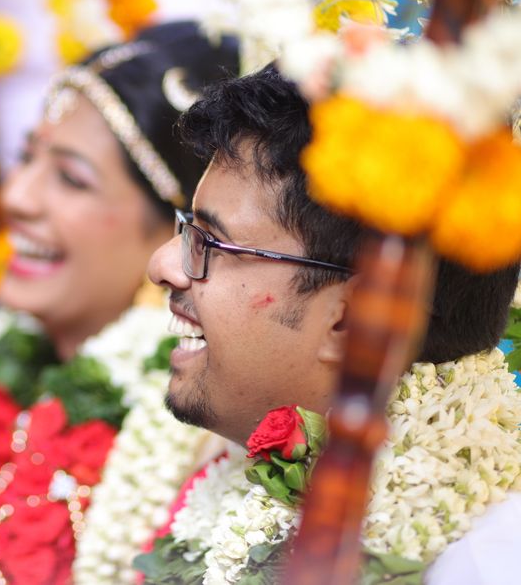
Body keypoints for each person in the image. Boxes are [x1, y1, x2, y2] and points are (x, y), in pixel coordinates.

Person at [143, 65, 521, 583]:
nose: (162, 265)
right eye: (187, 228)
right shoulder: (238, 479)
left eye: (209, 243)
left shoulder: (482, 562)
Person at [0, 21, 239, 584]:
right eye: (25, 157)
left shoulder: (197, 436)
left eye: (71, 180)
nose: (17, 197)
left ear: (176, 230)